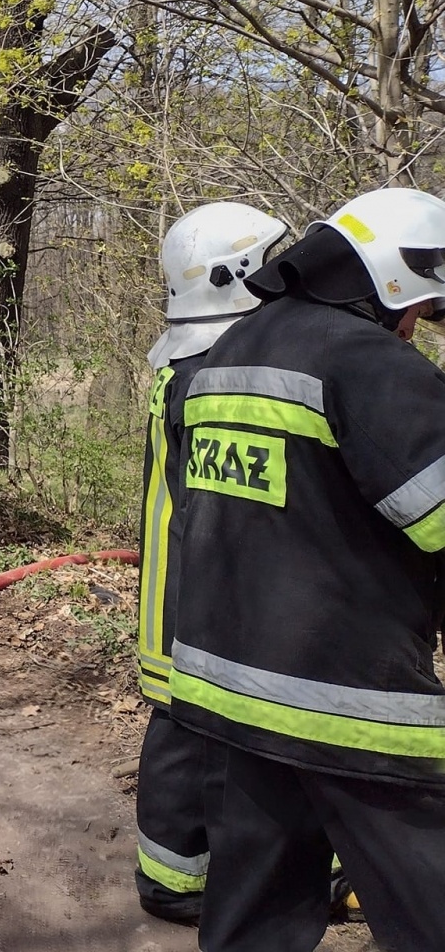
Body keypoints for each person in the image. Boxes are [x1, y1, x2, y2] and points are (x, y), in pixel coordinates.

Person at [168, 188, 445, 951]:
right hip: (348, 698)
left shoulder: (230, 349)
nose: (418, 329)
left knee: (255, 908)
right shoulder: (367, 361)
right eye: (422, 308)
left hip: (230, 688)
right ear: (393, 283)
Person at [133, 202, 287, 924]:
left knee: (185, 726)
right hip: (194, 583)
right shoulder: (212, 367)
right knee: (186, 727)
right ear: (240, 277)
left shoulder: (185, 357)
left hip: (183, 577)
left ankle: (178, 875)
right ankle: (173, 881)